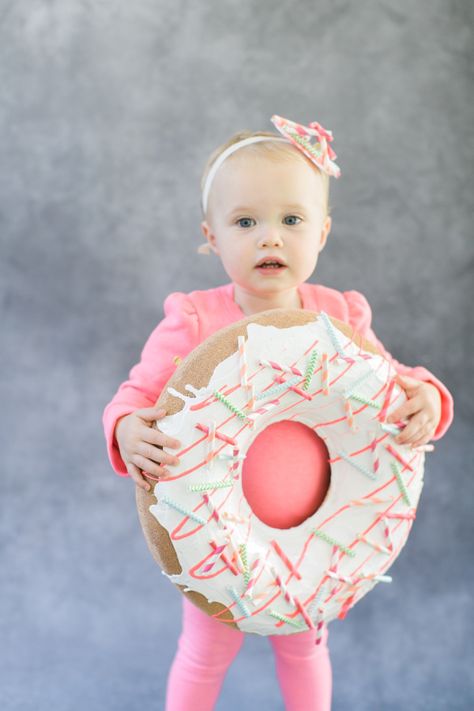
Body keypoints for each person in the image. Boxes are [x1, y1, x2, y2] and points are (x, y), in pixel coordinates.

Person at [102, 115, 454, 711]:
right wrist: (125, 428)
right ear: (211, 236)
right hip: (218, 542)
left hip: (314, 543)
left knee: (305, 652)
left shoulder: (339, 316)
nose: (272, 237)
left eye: (292, 220)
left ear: (322, 233)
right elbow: (134, 398)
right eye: (246, 222)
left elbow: (388, 386)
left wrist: (427, 397)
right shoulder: (193, 321)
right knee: (204, 652)